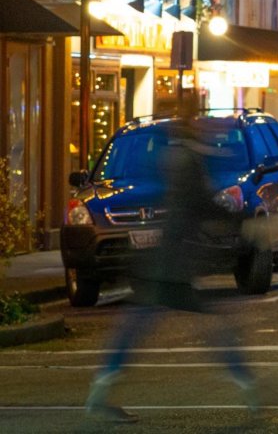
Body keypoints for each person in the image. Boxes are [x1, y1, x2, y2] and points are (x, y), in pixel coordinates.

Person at [85, 119, 258, 423]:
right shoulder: (188, 161)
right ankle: (248, 386)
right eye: (205, 131)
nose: (212, 136)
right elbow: (203, 204)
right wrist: (240, 220)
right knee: (214, 325)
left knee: (135, 327)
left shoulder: (174, 158)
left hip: (163, 262)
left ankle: (100, 393)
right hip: (172, 265)